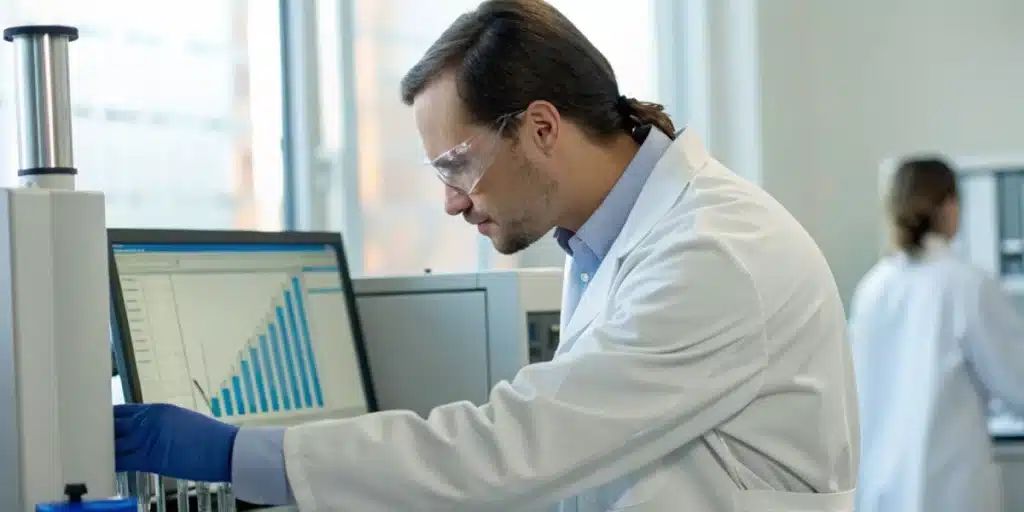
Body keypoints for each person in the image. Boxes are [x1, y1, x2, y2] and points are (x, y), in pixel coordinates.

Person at [113, 1, 859, 510]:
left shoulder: (712, 254)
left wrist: (239, 455)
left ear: (542, 128)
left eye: (458, 165)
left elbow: (516, 446)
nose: (452, 201)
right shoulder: (608, 243)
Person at [849, 157, 1024, 512]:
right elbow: (1017, 383)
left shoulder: (872, 288)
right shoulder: (967, 285)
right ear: (948, 206)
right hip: (949, 491)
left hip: (881, 490)